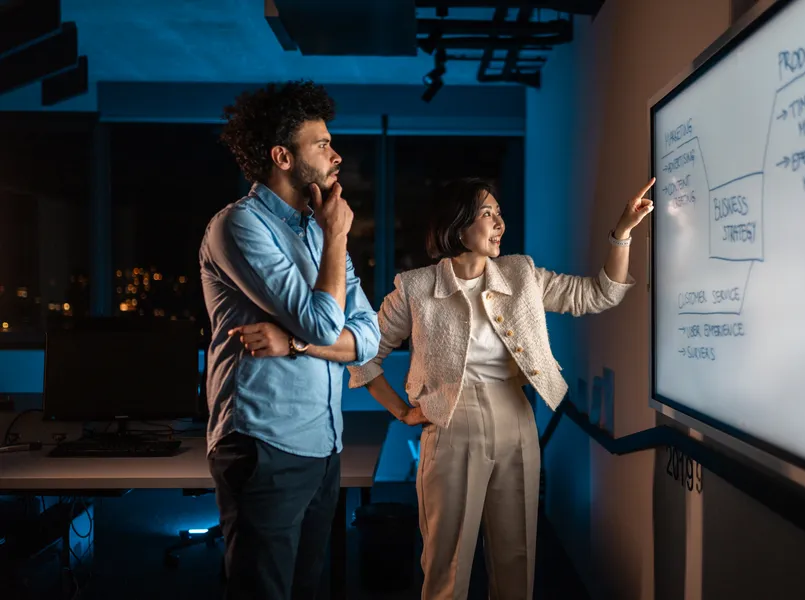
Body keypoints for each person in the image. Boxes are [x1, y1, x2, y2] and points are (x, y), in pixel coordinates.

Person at [241, 175, 655, 599]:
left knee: (517, 557)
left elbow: (599, 295)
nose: (500, 224)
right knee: (447, 563)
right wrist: (401, 411)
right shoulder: (416, 287)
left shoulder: (522, 272)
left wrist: (622, 232)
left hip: (517, 419)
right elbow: (364, 354)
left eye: (500, 213)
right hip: (450, 428)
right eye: (488, 213)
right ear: (459, 226)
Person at [199, 80, 380, 600]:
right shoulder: (239, 226)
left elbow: (367, 338)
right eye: (321, 144)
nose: (336, 154)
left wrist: (295, 343)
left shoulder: (318, 232)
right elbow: (329, 326)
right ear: (282, 156)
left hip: (323, 445)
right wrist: (340, 237)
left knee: (307, 589)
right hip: (264, 444)